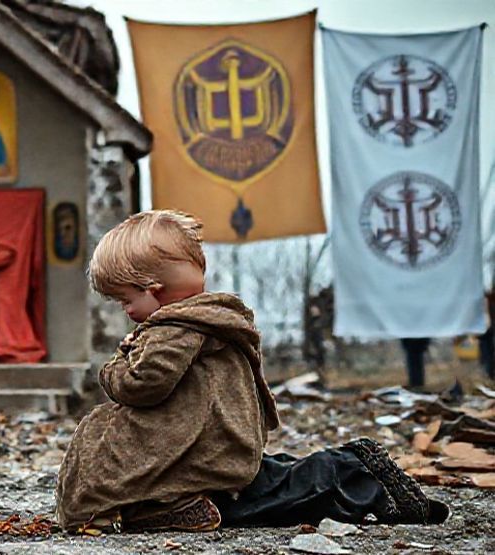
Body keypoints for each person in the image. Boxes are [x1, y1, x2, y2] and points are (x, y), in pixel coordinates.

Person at [56, 210, 448, 533]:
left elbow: (145, 385)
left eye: (125, 300)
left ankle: (353, 470)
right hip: (220, 442)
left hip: (203, 450)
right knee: (266, 482)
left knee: (264, 499)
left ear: (153, 289)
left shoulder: (174, 329)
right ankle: (369, 481)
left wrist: (114, 370)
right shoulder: (208, 319)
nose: (125, 311)